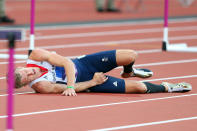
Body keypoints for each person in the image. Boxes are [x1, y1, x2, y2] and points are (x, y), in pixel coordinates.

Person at [14, 48, 192, 96]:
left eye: (26, 71)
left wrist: (69, 85)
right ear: (26, 84)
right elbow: (75, 87)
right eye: (27, 78)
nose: (31, 73)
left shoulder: (36, 55)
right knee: (138, 88)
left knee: (131, 55)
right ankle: (168, 87)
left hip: (83, 63)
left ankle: (129, 71)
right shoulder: (41, 86)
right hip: (88, 80)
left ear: (22, 66)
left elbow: (66, 62)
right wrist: (94, 82)